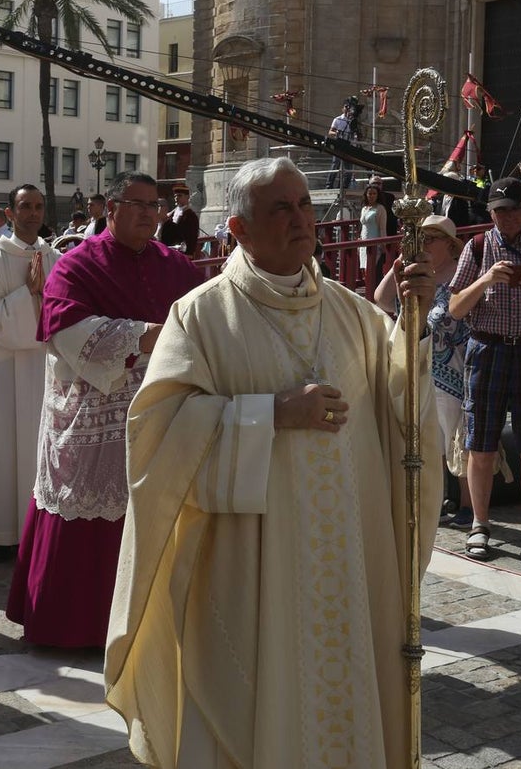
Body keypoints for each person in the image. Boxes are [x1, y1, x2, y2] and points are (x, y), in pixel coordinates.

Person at [105, 156, 442, 768]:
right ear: (237, 229)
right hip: (251, 564)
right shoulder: (200, 316)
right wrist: (271, 414)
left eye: (306, 205)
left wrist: (413, 330)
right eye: (280, 209)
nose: (301, 220)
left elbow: (402, 415)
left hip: (347, 559)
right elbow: (158, 437)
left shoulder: (354, 313)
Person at [6, 171, 202, 648]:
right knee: (92, 513)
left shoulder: (177, 265)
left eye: (153, 205)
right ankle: (78, 628)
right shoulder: (76, 264)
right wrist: (145, 335)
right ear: (110, 209)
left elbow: (204, 320)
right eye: (136, 204)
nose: (148, 213)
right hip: (94, 419)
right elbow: (65, 328)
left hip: (162, 415)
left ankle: (153, 624)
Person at [448, 177, 521, 561]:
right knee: (480, 444)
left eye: (515, 209)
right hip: (487, 350)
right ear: (491, 212)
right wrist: (485, 279)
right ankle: (479, 524)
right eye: (500, 210)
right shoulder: (477, 247)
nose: (508, 217)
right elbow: (454, 308)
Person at [0, 184, 63, 563]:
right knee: (2, 447)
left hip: (43, 368)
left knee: (40, 446)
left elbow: (67, 313)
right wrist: (29, 293)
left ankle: (40, 526)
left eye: (38, 206)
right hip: (3, 369)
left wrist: (42, 296)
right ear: (10, 212)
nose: (33, 213)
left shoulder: (54, 257)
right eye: (25, 206)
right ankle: (3, 532)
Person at [376, 215, 473, 528]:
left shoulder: (460, 275)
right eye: (421, 238)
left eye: (431, 238)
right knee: (432, 438)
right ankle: (444, 499)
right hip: (422, 365)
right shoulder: (415, 272)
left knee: (457, 439)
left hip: (454, 369)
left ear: (449, 244)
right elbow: (382, 299)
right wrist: (399, 266)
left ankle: (468, 505)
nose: (425, 244)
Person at [158, 182, 201, 256]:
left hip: (183, 252)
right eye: (175, 196)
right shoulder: (172, 213)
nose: (176, 198)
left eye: (179, 196)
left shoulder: (190, 216)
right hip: (169, 250)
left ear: (187, 197)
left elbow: (190, 237)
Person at [325, 98, 358, 189]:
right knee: (335, 165)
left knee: (348, 168)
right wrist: (337, 133)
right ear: (342, 109)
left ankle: (343, 187)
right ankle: (329, 186)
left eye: (349, 107)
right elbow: (330, 132)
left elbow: (358, 133)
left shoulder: (354, 121)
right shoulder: (338, 119)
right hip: (338, 144)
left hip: (349, 145)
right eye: (345, 107)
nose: (347, 109)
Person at [359, 182, 386, 279]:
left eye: (374, 193)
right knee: (364, 269)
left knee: (374, 270)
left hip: (375, 242)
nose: (372, 196)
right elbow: (363, 226)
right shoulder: (364, 209)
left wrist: (383, 244)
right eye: (370, 193)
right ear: (366, 195)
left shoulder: (380, 209)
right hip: (364, 242)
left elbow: (382, 228)